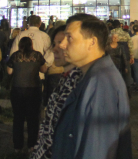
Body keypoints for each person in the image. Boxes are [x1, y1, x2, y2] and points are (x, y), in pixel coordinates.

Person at [53, 16, 131, 159]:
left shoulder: (100, 83)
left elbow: (96, 148)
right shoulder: (93, 76)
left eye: (69, 37)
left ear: (92, 42)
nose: (62, 45)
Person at [31, 17, 87, 159]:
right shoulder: (66, 79)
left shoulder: (78, 83)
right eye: (54, 43)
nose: (55, 48)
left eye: (62, 43)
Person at [7, 36, 47, 151]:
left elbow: (9, 71)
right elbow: (44, 70)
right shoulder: (37, 55)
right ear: (31, 45)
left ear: (20, 45)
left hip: (18, 89)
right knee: (33, 118)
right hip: (34, 89)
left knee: (18, 118)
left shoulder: (15, 56)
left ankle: (18, 145)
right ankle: (32, 144)